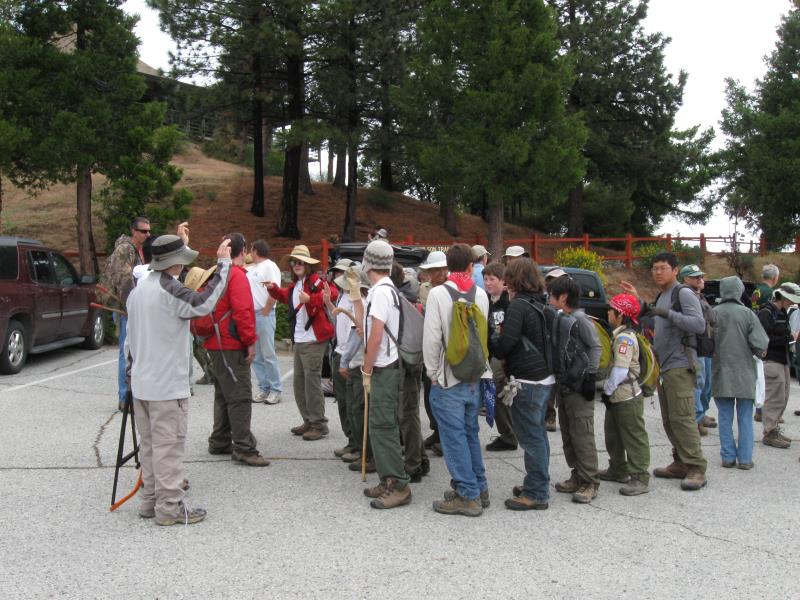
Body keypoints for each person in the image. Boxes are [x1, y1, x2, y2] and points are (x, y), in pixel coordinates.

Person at [125, 235, 232, 525]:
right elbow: (203, 303)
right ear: (175, 262)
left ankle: (149, 500)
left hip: (142, 384)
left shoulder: (137, 292)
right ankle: (170, 508)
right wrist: (223, 265)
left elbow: (128, 343)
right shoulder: (169, 290)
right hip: (166, 385)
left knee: (148, 447)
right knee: (169, 448)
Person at [622, 251, 708, 491]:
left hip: (680, 364)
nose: (658, 272)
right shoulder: (663, 295)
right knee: (670, 420)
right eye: (654, 268)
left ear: (675, 270)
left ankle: (696, 468)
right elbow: (653, 321)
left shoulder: (684, 293)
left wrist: (667, 313)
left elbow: (698, 324)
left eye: (662, 268)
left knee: (683, 419)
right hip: (665, 367)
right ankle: (681, 461)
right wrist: (639, 301)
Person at [423, 243, 491, 517]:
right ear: (471, 266)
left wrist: (432, 373)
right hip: (475, 374)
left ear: (448, 266)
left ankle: (467, 494)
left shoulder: (438, 294)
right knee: (469, 432)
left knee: (453, 438)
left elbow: (432, 338)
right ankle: (479, 486)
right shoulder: (482, 295)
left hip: (449, 376)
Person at [490, 258, 555, 511]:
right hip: (545, 377)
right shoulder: (541, 302)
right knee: (538, 434)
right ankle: (537, 483)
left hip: (527, 379)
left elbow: (506, 343)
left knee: (531, 437)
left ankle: (536, 492)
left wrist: (491, 340)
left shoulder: (518, 306)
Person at [204, 233, 269, 466]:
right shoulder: (236, 276)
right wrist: (250, 342)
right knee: (240, 394)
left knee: (223, 392)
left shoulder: (217, 274)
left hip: (215, 340)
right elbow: (243, 312)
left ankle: (220, 439)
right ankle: (243, 446)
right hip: (231, 343)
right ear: (242, 252)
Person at [361, 240, 412, 509]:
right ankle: (387, 478)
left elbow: (376, 335)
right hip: (389, 365)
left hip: (383, 367)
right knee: (382, 425)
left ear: (368, 262)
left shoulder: (380, 292)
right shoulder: (387, 288)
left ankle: (399, 484)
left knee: (383, 427)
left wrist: (366, 368)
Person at [267, 245, 337, 440]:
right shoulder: (296, 284)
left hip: (313, 339)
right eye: (294, 261)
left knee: (311, 383)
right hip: (300, 339)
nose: (296, 265)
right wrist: (273, 290)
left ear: (307, 264)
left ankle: (318, 423)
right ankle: (309, 420)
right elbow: (285, 297)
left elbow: (332, 293)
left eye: (300, 262)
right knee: (300, 383)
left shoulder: (315, 280)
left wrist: (310, 299)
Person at [547, 275, 602, 504]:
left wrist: (590, 375)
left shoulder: (580, 320)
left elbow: (595, 346)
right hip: (565, 385)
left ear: (563, 297)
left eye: (551, 295)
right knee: (569, 434)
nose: (549, 299)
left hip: (579, 386)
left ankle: (590, 481)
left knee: (582, 434)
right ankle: (576, 474)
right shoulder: (563, 318)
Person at [712, 276, 769, 469]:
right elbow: (761, 344)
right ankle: (745, 459)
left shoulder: (713, 313)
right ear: (739, 291)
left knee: (724, 416)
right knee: (745, 417)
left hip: (720, 372)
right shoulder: (748, 314)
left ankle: (728, 456)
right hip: (744, 372)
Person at [600, 294, 651, 496]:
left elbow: (621, 370)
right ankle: (618, 468)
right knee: (613, 435)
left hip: (625, 395)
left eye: (611, 310)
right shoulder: (621, 334)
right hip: (618, 396)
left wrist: (607, 389)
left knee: (633, 436)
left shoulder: (624, 338)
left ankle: (640, 476)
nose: (608, 313)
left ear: (620, 315)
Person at [108, 217, 151, 411]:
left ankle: (134, 395)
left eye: (148, 231)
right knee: (126, 352)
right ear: (134, 231)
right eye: (143, 231)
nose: (147, 234)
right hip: (127, 308)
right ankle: (125, 398)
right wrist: (132, 307)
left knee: (134, 351)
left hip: (134, 307)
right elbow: (124, 280)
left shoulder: (137, 250)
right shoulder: (125, 249)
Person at [390, 263, 427, 482]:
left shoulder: (400, 300)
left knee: (407, 414)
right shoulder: (408, 297)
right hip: (413, 362)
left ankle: (413, 464)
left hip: (407, 364)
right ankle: (420, 458)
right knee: (409, 413)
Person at [335, 267, 372, 469]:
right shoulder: (351, 301)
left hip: (358, 363)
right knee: (352, 407)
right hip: (354, 361)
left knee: (358, 409)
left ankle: (363, 451)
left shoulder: (362, 304)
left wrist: (343, 361)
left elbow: (356, 335)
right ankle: (358, 447)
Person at [758, 283, 800, 449]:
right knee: (774, 397)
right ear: (783, 297)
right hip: (771, 359)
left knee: (783, 395)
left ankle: (774, 428)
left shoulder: (782, 312)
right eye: (791, 299)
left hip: (783, 359)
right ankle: (769, 432)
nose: (792, 302)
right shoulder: (766, 312)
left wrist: (788, 336)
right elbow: (763, 339)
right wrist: (787, 339)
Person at [483, 262, 518, 452]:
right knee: (497, 394)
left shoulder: (508, 303)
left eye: (492, 279)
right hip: (490, 353)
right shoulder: (486, 301)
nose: (488, 283)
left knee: (499, 392)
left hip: (503, 356)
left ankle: (509, 435)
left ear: (503, 282)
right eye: (485, 279)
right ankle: (508, 433)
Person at [679, 264, 717, 435]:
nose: (700, 280)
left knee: (706, 384)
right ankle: (695, 418)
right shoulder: (685, 297)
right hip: (696, 347)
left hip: (707, 346)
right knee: (698, 383)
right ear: (685, 279)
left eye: (701, 276)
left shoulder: (700, 297)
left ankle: (702, 414)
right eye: (696, 277)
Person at [418, 250, 449, 453]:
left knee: (444, 397)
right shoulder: (424, 288)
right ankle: (436, 430)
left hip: (446, 349)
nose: (437, 273)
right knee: (430, 393)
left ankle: (445, 436)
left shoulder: (451, 289)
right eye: (432, 270)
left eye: (439, 269)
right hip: (428, 344)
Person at [328, 261, 360, 459]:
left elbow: (356, 331)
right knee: (342, 400)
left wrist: (345, 360)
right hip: (340, 351)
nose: (338, 276)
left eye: (342, 273)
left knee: (353, 402)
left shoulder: (358, 299)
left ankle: (358, 444)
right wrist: (327, 303)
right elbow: (338, 321)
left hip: (349, 355)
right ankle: (351, 440)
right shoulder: (343, 296)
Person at [247, 240, 283, 404]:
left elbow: (274, 289)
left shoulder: (269, 266)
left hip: (263, 312)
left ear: (255, 250)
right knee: (257, 355)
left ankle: (275, 389)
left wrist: (267, 309)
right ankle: (264, 387)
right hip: (252, 313)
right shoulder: (252, 269)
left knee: (268, 353)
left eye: (251, 250)